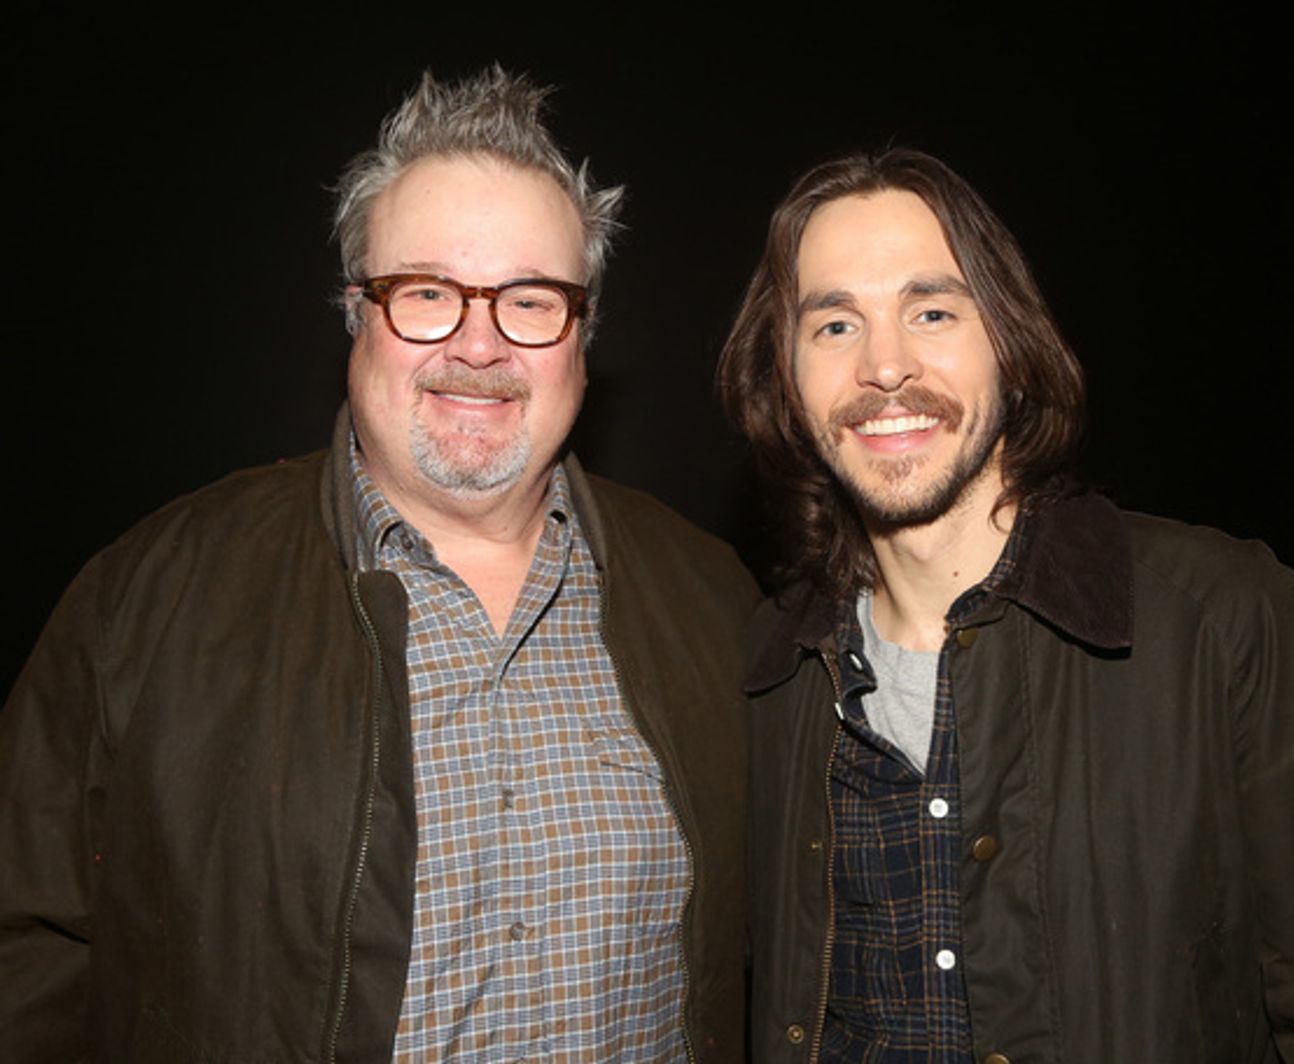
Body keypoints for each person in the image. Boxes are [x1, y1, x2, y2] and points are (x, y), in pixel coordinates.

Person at [0, 68, 755, 1062]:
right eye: (427, 293)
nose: (478, 345)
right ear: (356, 312)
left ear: (584, 334)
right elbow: (28, 954)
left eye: (529, 299)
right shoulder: (146, 601)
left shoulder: (713, 600)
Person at [718, 148, 1294, 1063]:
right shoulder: (769, 671)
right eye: (835, 325)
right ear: (787, 380)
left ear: (1010, 341)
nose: (886, 366)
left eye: (931, 311)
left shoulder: (1225, 622)